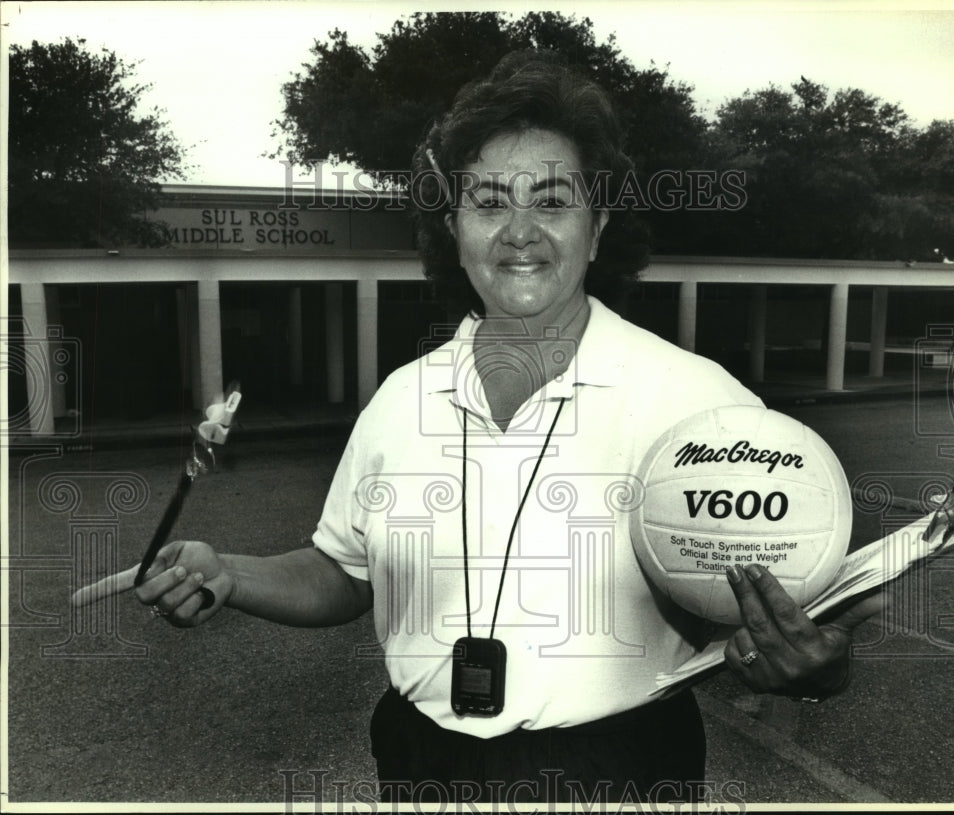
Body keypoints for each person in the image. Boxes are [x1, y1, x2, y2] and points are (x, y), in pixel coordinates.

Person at [76, 51, 882, 807]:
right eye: (489, 202)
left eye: (553, 201)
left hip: (622, 771)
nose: (519, 230)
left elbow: (798, 588)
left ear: (597, 227)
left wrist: (820, 664)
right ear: (453, 229)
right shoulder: (401, 398)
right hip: (420, 764)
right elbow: (345, 570)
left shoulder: (700, 403)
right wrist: (230, 572)